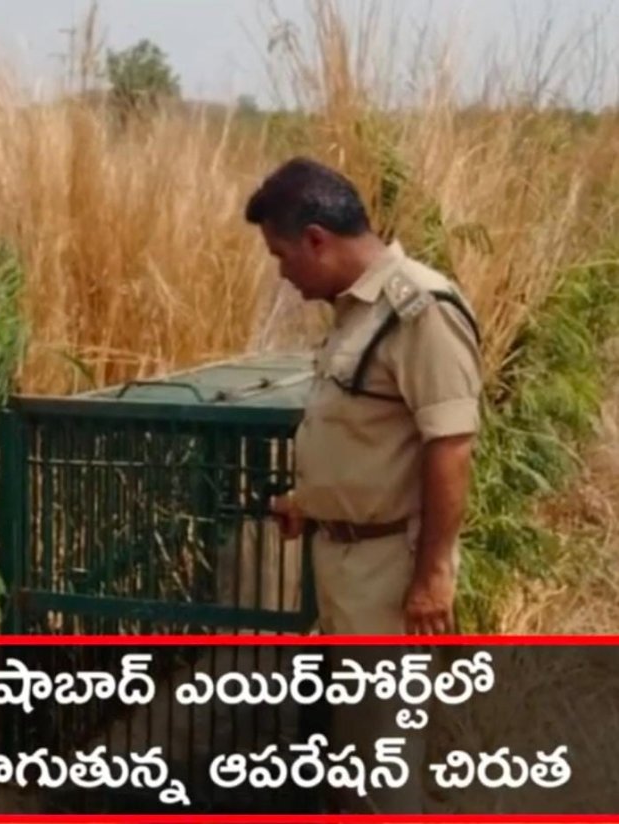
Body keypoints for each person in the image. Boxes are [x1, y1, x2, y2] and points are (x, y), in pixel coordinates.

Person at [245, 157, 483, 812]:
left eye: (282, 254)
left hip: (391, 578)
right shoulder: (357, 312)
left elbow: (451, 444)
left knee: (382, 778)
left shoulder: (417, 309)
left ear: (318, 239)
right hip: (350, 570)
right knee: (359, 767)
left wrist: (433, 575)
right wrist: (312, 502)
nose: (283, 274)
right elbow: (371, 438)